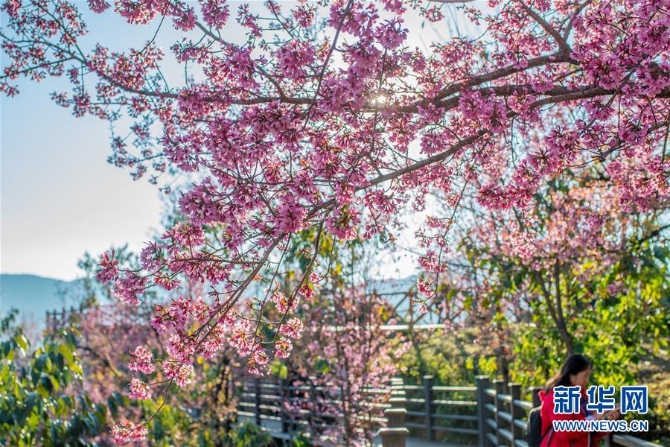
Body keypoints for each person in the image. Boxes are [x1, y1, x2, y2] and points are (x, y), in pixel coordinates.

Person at [539, 354, 621, 447]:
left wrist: (608, 421)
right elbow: (565, 431)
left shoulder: (582, 396)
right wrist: (595, 416)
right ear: (571, 375)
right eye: (585, 375)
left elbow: (590, 432)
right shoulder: (556, 396)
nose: (587, 380)